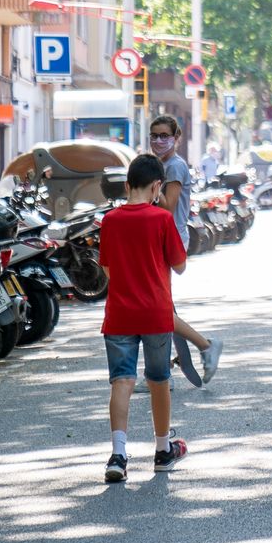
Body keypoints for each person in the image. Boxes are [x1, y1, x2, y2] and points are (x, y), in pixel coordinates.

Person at [97, 152, 188, 482]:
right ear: (156, 186)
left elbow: (106, 268)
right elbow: (179, 265)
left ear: (126, 185)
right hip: (155, 313)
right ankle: (163, 450)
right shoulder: (161, 220)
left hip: (119, 313)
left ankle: (118, 455)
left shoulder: (110, 221)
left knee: (122, 380)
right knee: (158, 379)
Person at [149, 115, 223, 384]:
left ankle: (204, 346)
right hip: (160, 238)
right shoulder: (161, 164)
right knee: (159, 303)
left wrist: (150, 187)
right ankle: (165, 365)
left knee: (156, 307)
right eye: (154, 135)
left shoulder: (175, 167)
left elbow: (168, 206)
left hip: (171, 239)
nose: (158, 140)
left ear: (176, 138)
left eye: (164, 136)